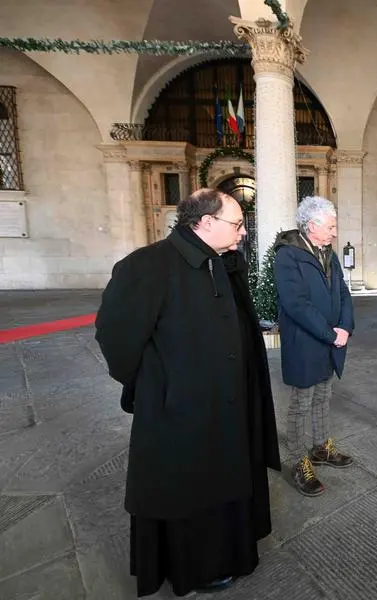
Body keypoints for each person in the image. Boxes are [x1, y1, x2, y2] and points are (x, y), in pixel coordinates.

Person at [94, 188, 281, 597]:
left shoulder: (226, 262)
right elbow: (116, 339)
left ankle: (233, 554)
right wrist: (156, 385)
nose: (244, 232)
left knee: (228, 482)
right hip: (180, 411)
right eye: (237, 224)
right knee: (192, 492)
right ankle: (196, 567)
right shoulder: (147, 265)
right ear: (205, 222)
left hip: (230, 406)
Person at [273, 195, 354, 497]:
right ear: (312, 225)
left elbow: (343, 293)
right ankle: (297, 460)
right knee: (301, 403)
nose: (335, 232)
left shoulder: (328, 252)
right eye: (331, 226)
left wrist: (345, 327)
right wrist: (330, 333)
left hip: (332, 339)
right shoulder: (288, 255)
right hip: (305, 341)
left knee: (323, 395)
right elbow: (295, 304)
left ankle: (321, 447)